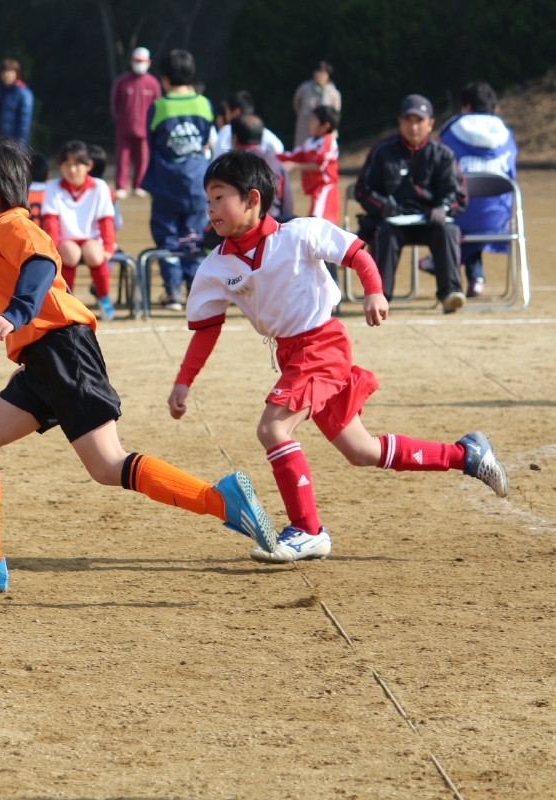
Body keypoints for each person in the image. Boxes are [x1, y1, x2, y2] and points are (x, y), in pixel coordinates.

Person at [0, 135, 277, 593]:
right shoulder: (0, 231)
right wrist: (29, 352)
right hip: (46, 358)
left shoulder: (10, 224)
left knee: (109, 465)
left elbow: (41, 265)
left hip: (64, 352)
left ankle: (220, 500)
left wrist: (17, 316)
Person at [167, 150, 507, 563]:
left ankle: (308, 530)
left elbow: (356, 253)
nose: (211, 208)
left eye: (220, 197)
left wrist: (374, 291)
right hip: (292, 354)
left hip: (322, 346)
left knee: (273, 429)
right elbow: (206, 329)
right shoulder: (214, 267)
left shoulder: (299, 233)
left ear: (253, 199)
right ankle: (466, 455)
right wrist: (183, 381)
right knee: (361, 451)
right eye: (208, 199)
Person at [354, 94, 468, 312]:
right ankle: (380, 295)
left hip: (430, 222)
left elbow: (457, 193)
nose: (413, 127)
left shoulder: (442, 154)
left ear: (430, 123)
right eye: (408, 120)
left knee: (449, 230)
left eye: (419, 121)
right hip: (393, 222)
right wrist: (382, 206)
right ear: (400, 122)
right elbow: (364, 189)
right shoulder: (383, 151)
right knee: (384, 233)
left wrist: (442, 208)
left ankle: (450, 293)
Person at [139, 49, 215, 311]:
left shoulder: (159, 107)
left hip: (166, 184)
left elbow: (151, 145)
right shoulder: (204, 104)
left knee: (168, 235)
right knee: (195, 235)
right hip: (199, 183)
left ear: (164, 78)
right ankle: (196, 289)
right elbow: (206, 139)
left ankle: (173, 292)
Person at [439, 81, 518, 297]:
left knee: (459, 216)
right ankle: (476, 278)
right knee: (476, 215)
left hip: (458, 213)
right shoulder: (505, 132)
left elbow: (440, 170)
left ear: (466, 106)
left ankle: (439, 263)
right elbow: (511, 173)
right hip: (498, 217)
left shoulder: (452, 129)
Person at [41, 140, 117, 320]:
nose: (72, 170)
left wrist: (108, 247)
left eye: (77, 164)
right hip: (66, 241)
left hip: (92, 239)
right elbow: (51, 221)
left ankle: (103, 297)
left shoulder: (100, 187)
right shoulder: (52, 187)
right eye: (66, 164)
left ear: (88, 165)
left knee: (94, 253)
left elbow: (105, 220)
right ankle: (67, 299)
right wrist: (53, 248)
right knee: (70, 253)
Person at [110, 46, 160, 199]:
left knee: (143, 159)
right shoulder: (122, 81)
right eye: (137, 61)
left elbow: (157, 106)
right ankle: (121, 186)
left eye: (142, 61)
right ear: (131, 61)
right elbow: (114, 104)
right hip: (124, 128)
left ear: (148, 62)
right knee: (122, 159)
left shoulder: (153, 83)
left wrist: (152, 126)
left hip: (145, 130)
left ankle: (139, 186)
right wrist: (120, 120)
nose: (139, 64)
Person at [277, 105, 339, 224]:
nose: (309, 123)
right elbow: (294, 156)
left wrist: (295, 165)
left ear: (325, 126)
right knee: (313, 223)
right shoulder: (310, 142)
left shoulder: (328, 141)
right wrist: (271, 157)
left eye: (313, 120)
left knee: (318, 225)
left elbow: (319, 166)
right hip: (316, 191)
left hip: (325, 190)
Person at [214, 90, 284, 157]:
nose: (226, 116)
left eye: (227, 111)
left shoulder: (226, 131)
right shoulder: (263, 132)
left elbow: (217, 158)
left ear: (236, 112)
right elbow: (278, 149)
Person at [0, 58, 33, 145]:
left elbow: (24, 122)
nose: (7, 75)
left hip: (12, 140)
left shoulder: (23, 93)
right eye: (4, 71)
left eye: (10, 72)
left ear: (16, 73)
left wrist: (20, 143)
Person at [292, 61, 341, 149]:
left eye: (322, 73)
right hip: (304, 128)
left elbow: (335, 114)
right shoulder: (305, 88)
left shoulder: (334, 93)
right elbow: (296, 103)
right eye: (317, 72)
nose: (319, 75)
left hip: (324, 130)